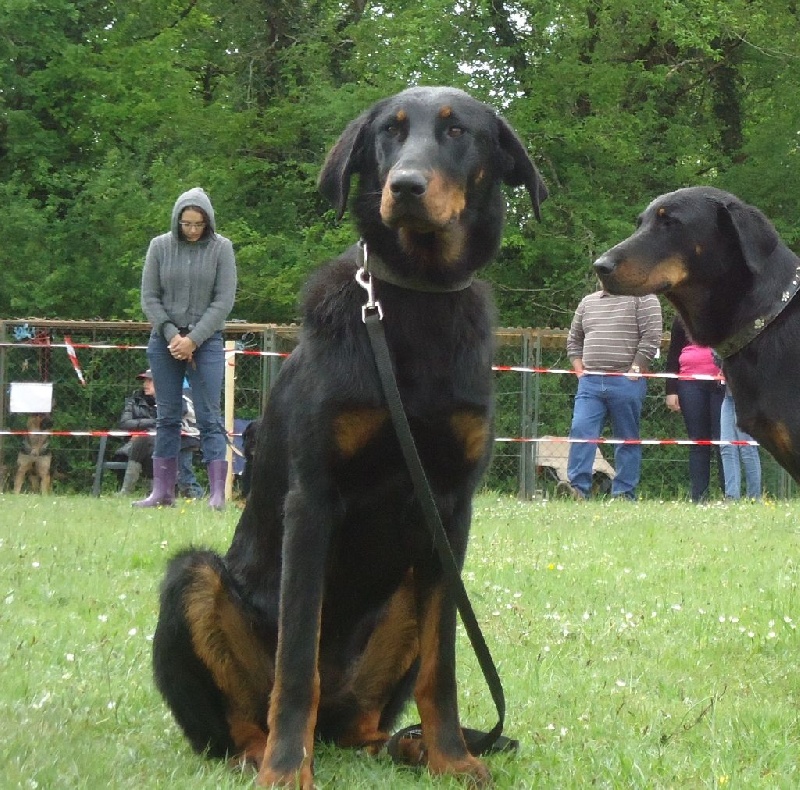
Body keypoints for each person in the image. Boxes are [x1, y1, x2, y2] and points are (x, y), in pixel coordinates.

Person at [138, 187, 237, 509]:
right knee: (167, 417)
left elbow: (223, 301)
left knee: (209, 417)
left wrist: (194, 339)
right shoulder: (159, 247)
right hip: (164, 341)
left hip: (206, 342)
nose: (192, 230)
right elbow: (149, 297)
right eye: (186, 224)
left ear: (208, 222)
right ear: (177, 221)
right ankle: (162, 492)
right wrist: (171, 335)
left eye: (198, 224)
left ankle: (217, 495)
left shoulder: (222, 249)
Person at [562, 286, 663, 500]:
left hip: (625, 382)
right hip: (590, 382)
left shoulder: (644, 297)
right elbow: (574, 340)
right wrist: (579, 369)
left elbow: (652, 336)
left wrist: (635, 369)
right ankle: (577, 490)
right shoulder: (587, 302)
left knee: (627, 438)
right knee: (580, 430)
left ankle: (624, 493)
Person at [665, 315, 726, 503]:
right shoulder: (681, 320)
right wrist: (671, 390)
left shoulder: (725, 312)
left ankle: (729, 494)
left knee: (722, 441)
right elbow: (673, 354)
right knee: (698, 442)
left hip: (720, 383)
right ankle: (699, 497)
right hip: (689, 384)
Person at [117, 370, 203, 498]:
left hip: (181, 438)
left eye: (150, 381)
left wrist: (155, 425)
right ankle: (152, 491)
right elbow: (125, 423)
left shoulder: (172, 397)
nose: (145, 384)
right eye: (145, 381)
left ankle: (133, 491)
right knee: (144, 441)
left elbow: (178, 415)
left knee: (147, 442)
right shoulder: (141, 400)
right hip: (163, 439)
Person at [713, 352, 762, 501]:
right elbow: (715, 353)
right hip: (728, 397)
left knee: (747, 447)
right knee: (726, 447)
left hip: (745, 397)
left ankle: (754, 498)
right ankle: (731, 497)